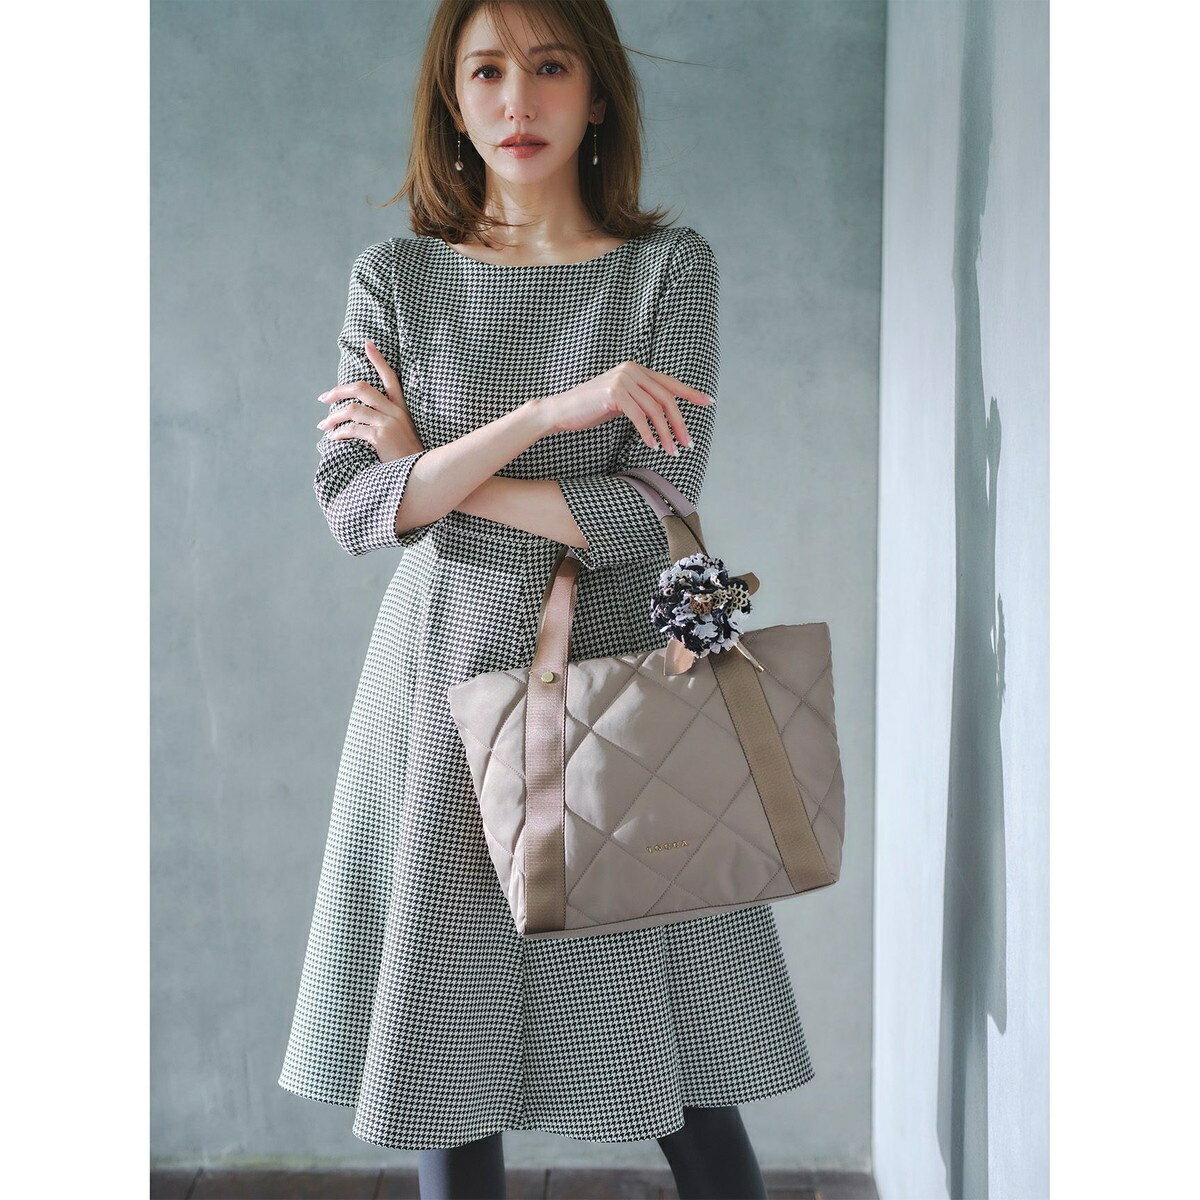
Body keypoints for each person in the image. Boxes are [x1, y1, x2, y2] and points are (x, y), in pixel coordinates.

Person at [278, 2, 815, 1196]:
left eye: (550, 65)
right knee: (443, 1048)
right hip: (439, 682)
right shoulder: (396, 279)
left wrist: (435, 469)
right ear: (453, 98)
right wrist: (548, 417)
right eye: (487, 71)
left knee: (680, 1070)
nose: (518, 99)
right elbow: (358, 510)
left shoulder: (667, 270)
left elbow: (649, 512)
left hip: (620, 680)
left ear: (598, 90)